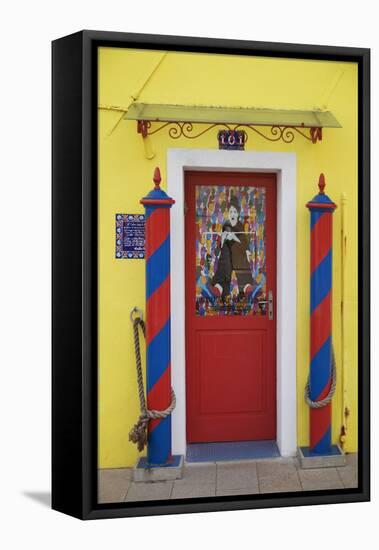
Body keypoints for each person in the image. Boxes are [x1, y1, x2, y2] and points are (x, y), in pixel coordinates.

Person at [211, 196, 255, 299]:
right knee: (225, 260)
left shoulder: (240, 226)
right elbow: (220, 246)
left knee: (237, 254)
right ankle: (220, 286)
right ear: (228, 213)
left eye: (235, 212)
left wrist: (234, 238)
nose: (232, 214)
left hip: (238, 254)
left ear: (238, 213)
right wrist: (223, 239)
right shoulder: (225, 225)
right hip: (227, 255)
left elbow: (244, 243)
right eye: (231, 212)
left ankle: (245, 285)